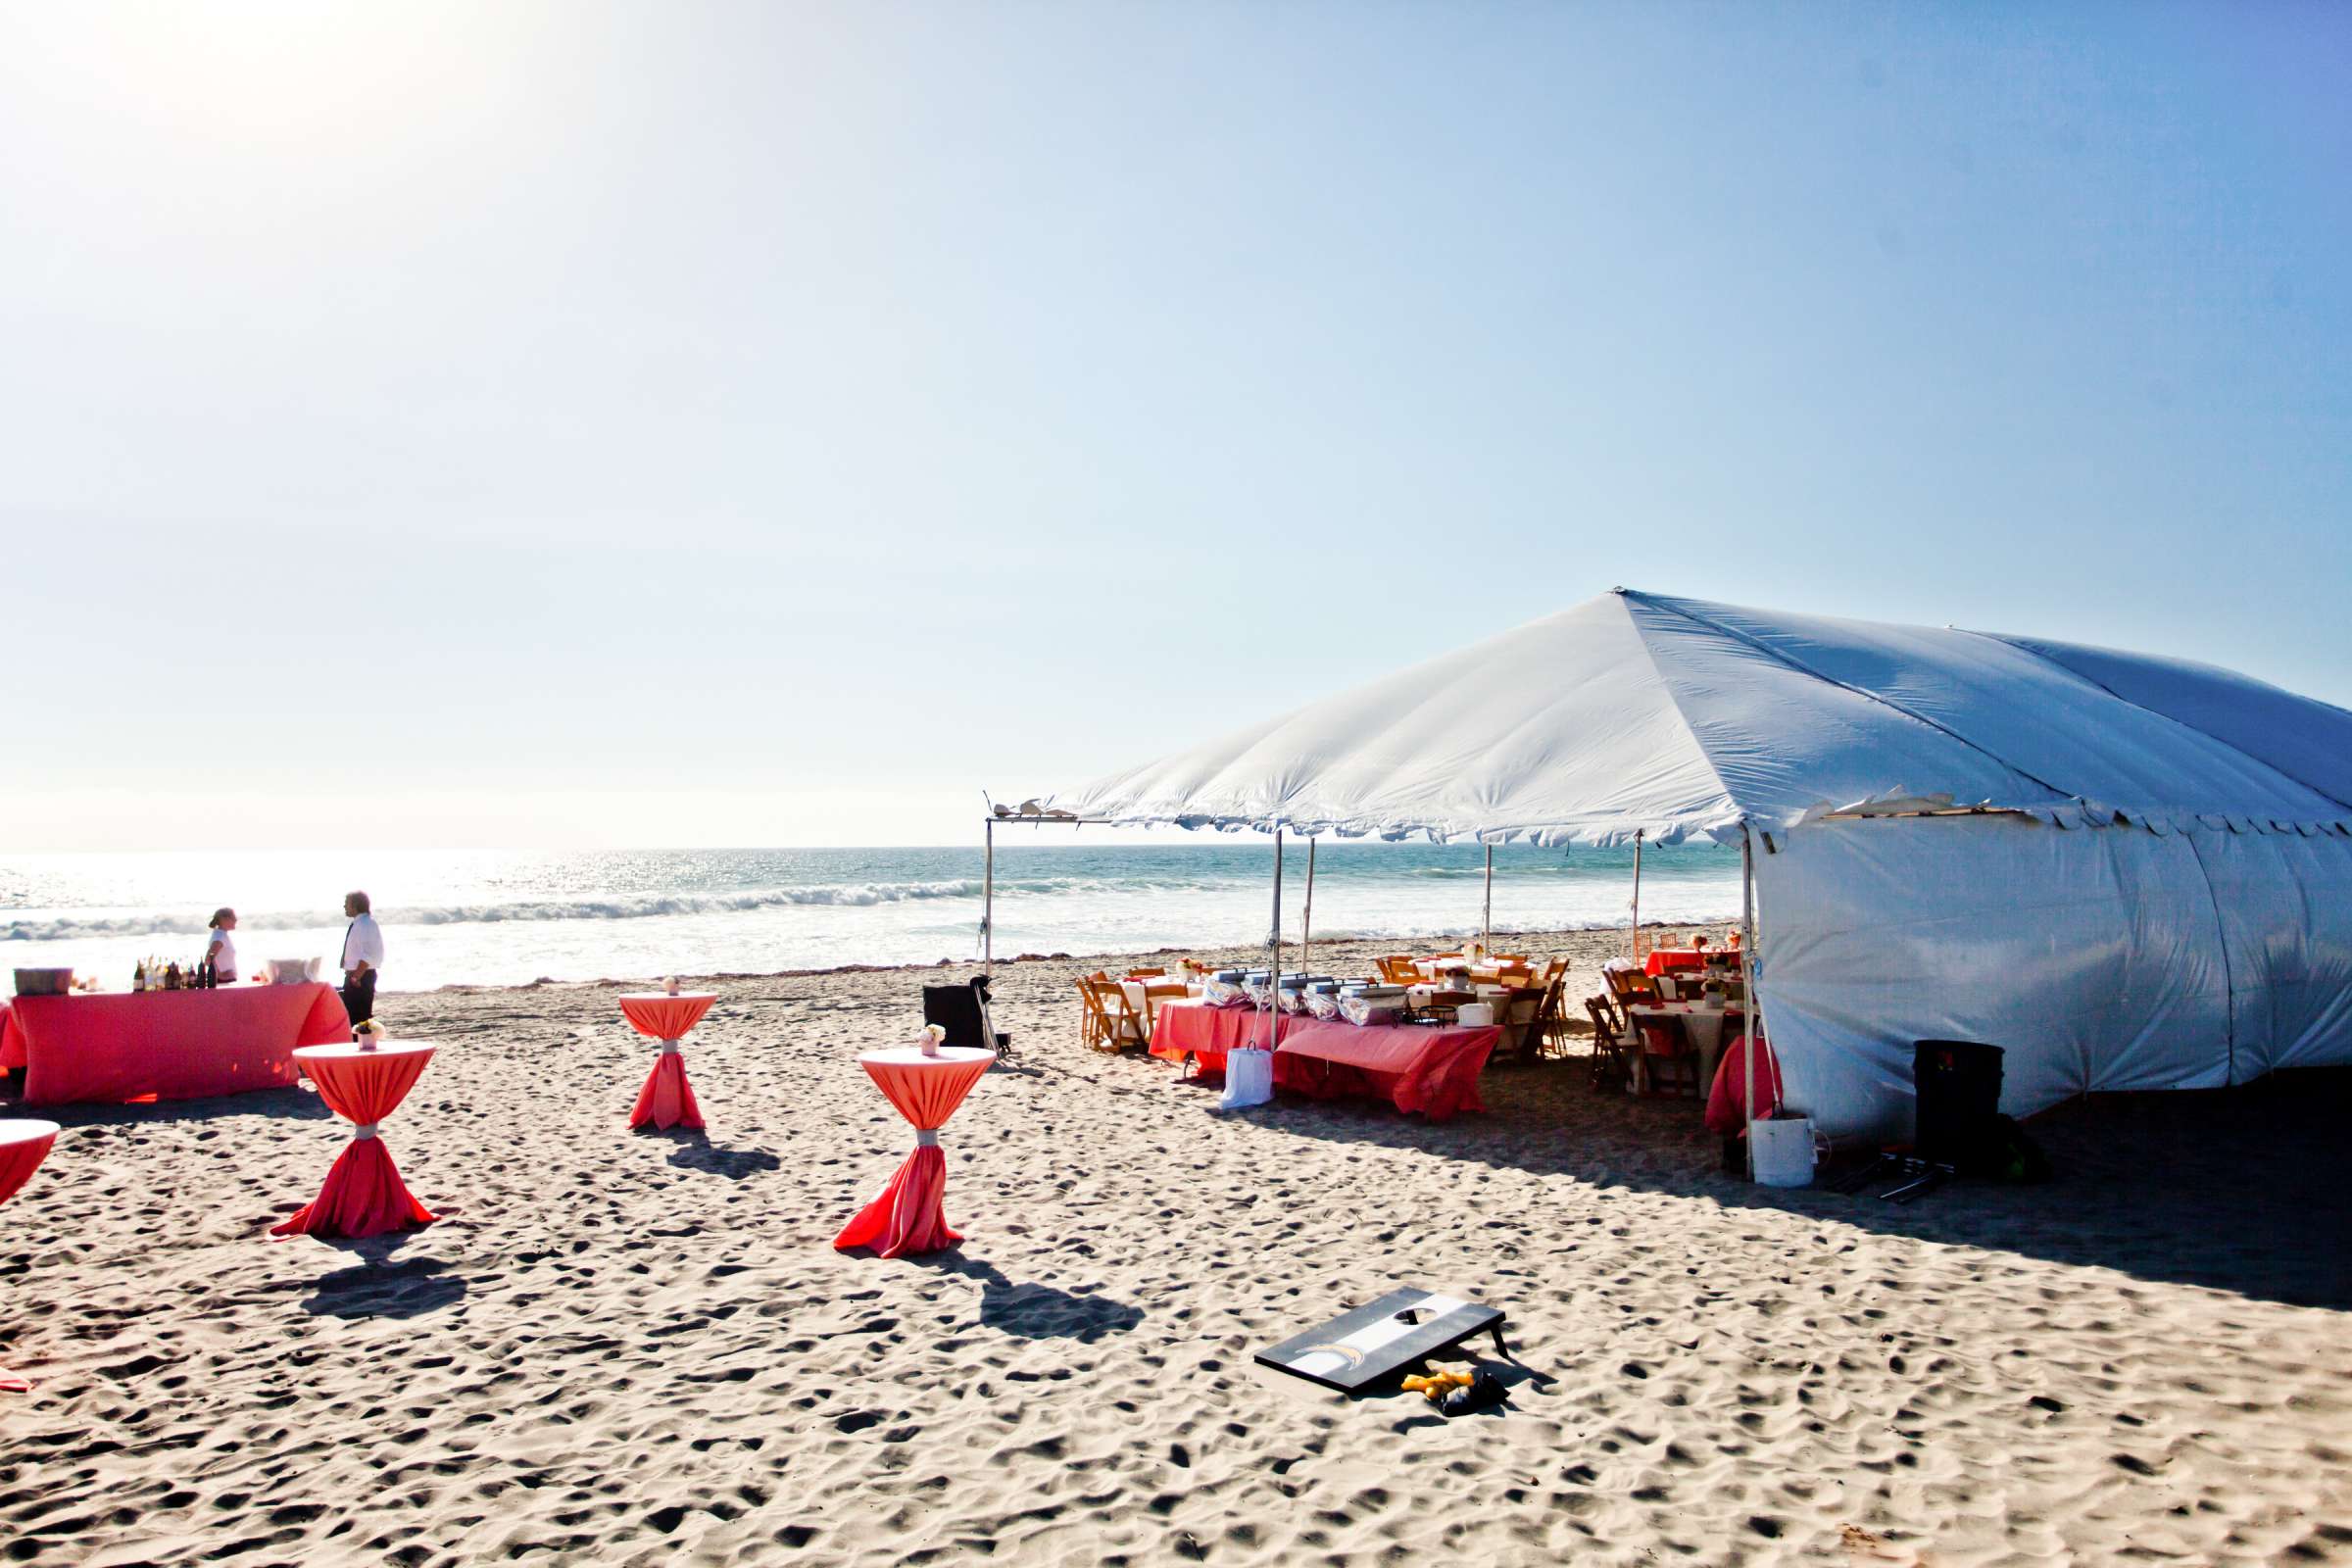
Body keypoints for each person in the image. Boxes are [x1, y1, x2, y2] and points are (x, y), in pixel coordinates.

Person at [338, 890, 384, 1031]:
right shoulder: (360, 923)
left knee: (359, 1017)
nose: (344, 906)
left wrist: (356, 977)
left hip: (361, 976)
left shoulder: (365, 924)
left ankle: (363, 1047)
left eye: (347, 903)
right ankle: (359, 1046)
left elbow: (368, 954)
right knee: (354, 1017)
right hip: (357, 975)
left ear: (356, 905)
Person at [203, 907, 239, 984]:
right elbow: (208, 959)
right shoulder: (220, 936)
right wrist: (220, 975)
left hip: (227, 982)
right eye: (233, 918)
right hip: (224, 982)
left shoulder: (221, 935)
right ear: (224, 920)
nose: (236, 920)